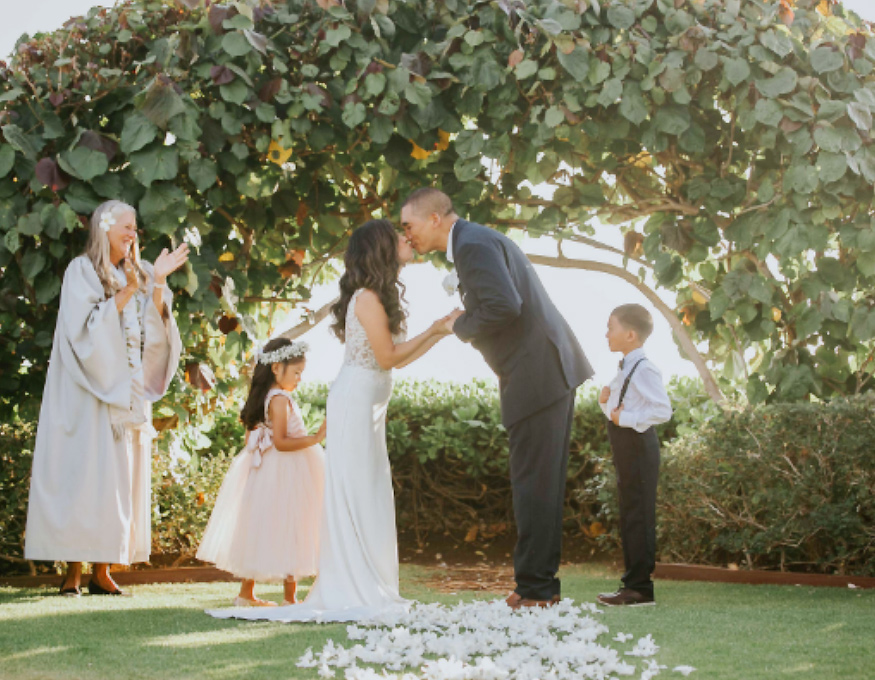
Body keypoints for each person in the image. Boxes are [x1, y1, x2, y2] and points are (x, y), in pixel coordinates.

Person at [208, 218, 455, 623]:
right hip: (355, 405)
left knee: (369, 492)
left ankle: (368, 582)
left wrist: (439, 332)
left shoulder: (375, 295)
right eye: (397, 236)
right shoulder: (367, 298)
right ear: (381, 248)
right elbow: (390, 356)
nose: (405, 239)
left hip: (367, 405)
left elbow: (393, 359)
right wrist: (436, 329)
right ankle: (352, 585)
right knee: (357, 495)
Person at [400, 188, 593, 608]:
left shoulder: (470, 244)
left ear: (434, 218)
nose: (406, 234)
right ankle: (539, 586)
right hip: (543, 370)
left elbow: (505, 305)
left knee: (533, 484)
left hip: (537, 374)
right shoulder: (476, 240)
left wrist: (459, 325)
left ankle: (536, 590)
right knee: (539, 483)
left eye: (408, 225)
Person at [24, 200, 188, 596]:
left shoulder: (143, 271)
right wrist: (128, 290)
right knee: (84, 474)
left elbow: (157, 329)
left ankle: (103, 568)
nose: (133, 234)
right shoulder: (82, 271)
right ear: (104, 227)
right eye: (126, 226)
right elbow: (81, 331)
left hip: (125, 393)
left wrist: (158, 281)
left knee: (117, 478)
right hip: (88, 390)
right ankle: (73, 569)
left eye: (136, 227)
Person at [197, 338, 326, 607]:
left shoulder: (264, 398)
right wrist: (315, 438)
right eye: (297, 373)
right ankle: (290, 598)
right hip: (286, 471)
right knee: (291, 527)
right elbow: (280, 441)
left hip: (267, 471)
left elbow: (251, 440)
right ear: (277, 368)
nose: (300, 379)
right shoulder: (279, 399)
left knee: (263, 528)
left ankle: (247, 593)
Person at [597, 304, 672, 606]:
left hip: (639, 446)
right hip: (627, 445)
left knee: (638, 515)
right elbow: (619, 412)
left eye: (611, 328)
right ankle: (633, 584)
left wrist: (621, 419)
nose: (606, 334)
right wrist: (605, 404)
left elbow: (662, 410)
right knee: (630, 513)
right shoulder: (626, 366)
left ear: (630, 334)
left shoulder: (644, 368)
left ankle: (640, 588)